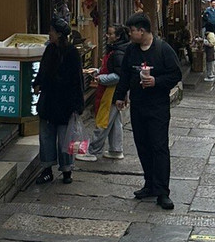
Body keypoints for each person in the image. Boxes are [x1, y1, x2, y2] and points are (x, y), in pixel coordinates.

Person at [113, 12, 181, 210]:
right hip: (138, 105)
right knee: (142, 145)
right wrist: (120, 95)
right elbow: (125, 74)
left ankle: (162, 191)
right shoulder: (131, 50)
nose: (130, 34)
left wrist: (156, 81)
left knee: (159, 147)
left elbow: (175, 74)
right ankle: (149, 183)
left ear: (142, 31)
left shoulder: (163, 49)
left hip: (158, 107)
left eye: (132, 31)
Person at [32, 17, 85, 184]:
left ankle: (67, 170)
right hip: (48, 101)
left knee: (65, 139)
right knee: (46, 138)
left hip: (65, 103)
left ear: (59, 34)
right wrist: (37, 83)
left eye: (52, 31)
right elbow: (42, 70)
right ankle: (47, 170)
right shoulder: (49, 50)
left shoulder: (71, 52)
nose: (50, 33)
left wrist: (77, 105)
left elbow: (77, 79)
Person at [76, 25, 129, 162]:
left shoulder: (117, 53)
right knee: (115, 122)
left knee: (103, 122)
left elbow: (118, 75)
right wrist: (98, 71)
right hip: (115, 92)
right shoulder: (119, 50)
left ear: (117, 37)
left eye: (110, 34)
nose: (107, 36)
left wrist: (101, 78)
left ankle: (93, 151)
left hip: (111, 93)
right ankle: (116, 149)